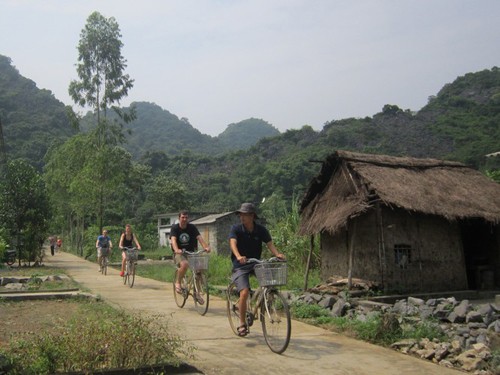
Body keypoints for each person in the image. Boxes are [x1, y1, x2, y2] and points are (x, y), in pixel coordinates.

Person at [229, 202, 284, 337]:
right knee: (244, 292)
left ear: (252, 216)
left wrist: (277, 254)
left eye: (245, 215)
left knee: (269, 282)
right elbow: (232, 243)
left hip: (256, 263)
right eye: (241, 214)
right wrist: (238, 256)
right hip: (240, 265)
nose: (242, 217)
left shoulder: (261, 230)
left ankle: (265, 304)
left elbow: (270, 244)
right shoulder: (236, 229)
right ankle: (242, 324)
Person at [170, 210, 210, 299]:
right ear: (179, 218)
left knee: (199, 268)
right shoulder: (175, 228)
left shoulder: (192, 227)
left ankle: (197, 292)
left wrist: (206, 247)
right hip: (179, 253)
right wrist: (176, 249)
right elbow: (173, 240)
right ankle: (178, 282)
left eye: (186, 217)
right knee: (184, 264)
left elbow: (199, 238)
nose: (184, 219)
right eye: (182, 217)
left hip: (191, 252)